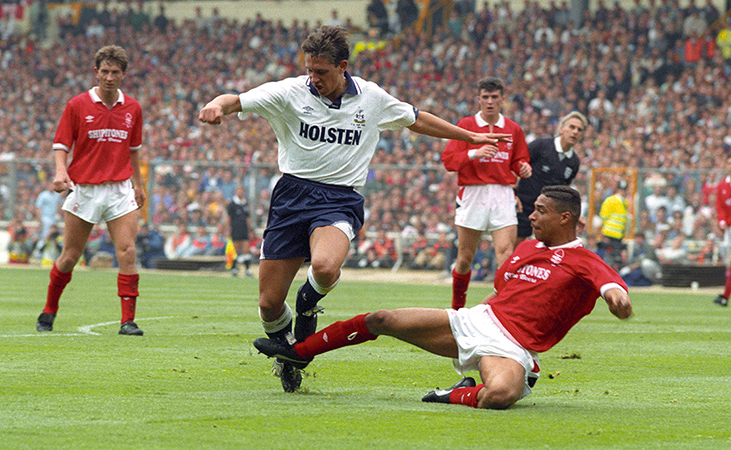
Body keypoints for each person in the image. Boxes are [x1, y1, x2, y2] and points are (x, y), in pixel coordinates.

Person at [198, 26, 510, 393]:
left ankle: (309, 301)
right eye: (309, 70)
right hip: (291, 196)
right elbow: (236, 99)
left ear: (343, 66)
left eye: (322, 73)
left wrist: (469, 135)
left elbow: (416, 118)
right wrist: (216, 105)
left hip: (339, 198)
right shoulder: (289, 91)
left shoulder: (371, 98)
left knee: (326, 267)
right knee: (268, 304)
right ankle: (289, 355)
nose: (313, 79)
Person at [254, 186, 633, 409]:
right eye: (532, 209)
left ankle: (457, 394)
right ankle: (298, 352)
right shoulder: (527, 249)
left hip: (512, 347)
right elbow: (504, 290)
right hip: (478, 320)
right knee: (382, 319)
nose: (531, 216)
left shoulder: (584, 260)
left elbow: (612, 287)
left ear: (566, 219)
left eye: (541, 211)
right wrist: (471, 314)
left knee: (499, 396)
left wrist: (618, 299)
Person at [35, 45, 146, 336]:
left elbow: (133, 151)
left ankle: (128, 321)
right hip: (84, 188)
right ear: (96, 72)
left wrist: (139, 185)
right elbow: (61, 145)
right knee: (70, 256)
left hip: (120, 189)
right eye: (105, 72)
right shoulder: (77, 105)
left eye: (115, 72)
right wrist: (61, 172)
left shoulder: (133, 108)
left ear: (123, 74)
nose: (109, 77)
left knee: (128, 251)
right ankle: (49, 311)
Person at [441, 76, 532, 310]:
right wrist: (474, 153)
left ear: (502, 99)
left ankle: (502, 309)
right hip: (473, 194)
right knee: (464, 258)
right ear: (478, 99)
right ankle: (457, 309)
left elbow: (519, 160)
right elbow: (449, 161)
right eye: (486, 97)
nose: (490, 101)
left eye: (494, 97)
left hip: (503, 194)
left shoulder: (513, 129)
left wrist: (523, 166)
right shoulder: (466, 125)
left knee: (505, 254)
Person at [515, 111, 587, 243]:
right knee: (514, 251)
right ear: (561, 128)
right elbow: (516, 164)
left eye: (579, 129)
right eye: (572, 127)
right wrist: (513, 194)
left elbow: (563, 191)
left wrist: (575, 216)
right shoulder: (541, 146)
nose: (575, 132)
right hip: (523, 208)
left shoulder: (574, 162)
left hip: (549, 214)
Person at [598, 179, 630, 270]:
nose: (623, 192)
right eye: (621, 190)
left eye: (624, 190)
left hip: (618, 235)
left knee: (616, 258)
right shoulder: (611, 200)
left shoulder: (624, 202)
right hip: (610, 234)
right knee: (611, 257)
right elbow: (603, 216)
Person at [712, 154, 731, 307]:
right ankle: (725, 296)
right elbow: (719, 206)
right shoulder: (723, 186)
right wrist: (722, 220)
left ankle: (725, 296)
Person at [226, 185, 254, 277]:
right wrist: (228, 229)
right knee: (236, 249)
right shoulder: (232, 204)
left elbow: (248, 218)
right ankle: (234, 268)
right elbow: (228, 218)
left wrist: (250, 229)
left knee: (246, 249)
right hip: (235, 229)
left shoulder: (245, 204)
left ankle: (247, 269)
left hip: (244, 229)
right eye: (238, 190)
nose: (240, 192)